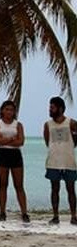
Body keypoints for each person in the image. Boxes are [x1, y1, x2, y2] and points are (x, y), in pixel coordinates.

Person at [0, 99, 29, 223]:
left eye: (11, 110)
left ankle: (24, 212)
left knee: (19, 185)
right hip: (2, 154)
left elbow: (21, 141)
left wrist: (5, 140)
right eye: (7, 109)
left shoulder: (18, 125)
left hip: (15, 155)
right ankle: (2, 212)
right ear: (2, 111)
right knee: (3, 184)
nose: (9, 112)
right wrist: (12, 139)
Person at [44, 96, 77, 225]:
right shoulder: (48, 125)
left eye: (52, 107)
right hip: (53, 162)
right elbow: (47, 141)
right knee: (54, 189)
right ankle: (55, 216)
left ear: (60, 109)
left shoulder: (71, 123)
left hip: (68, 161)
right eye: (50, 107)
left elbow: (75, 142)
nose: (50, 110)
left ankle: (73, 216)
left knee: (71, 189)